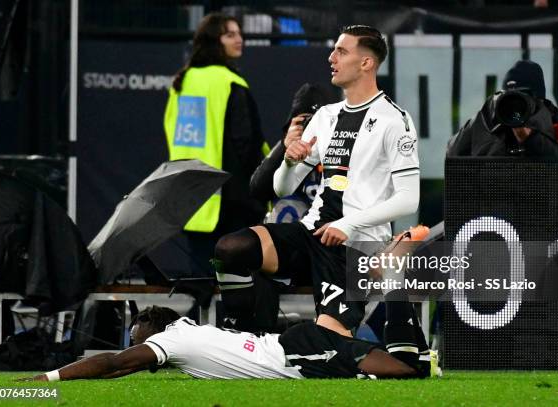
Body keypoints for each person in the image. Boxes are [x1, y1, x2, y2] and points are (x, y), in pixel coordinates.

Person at [214, 25, 420, 344]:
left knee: (326, 343)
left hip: (354, 245)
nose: (331, 57)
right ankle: (238, 336)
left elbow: (409, 199)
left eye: (341, 51)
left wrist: (348, 224)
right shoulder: (326, 116)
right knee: (230, 249)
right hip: (310, 233)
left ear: (366, 63)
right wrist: (289, 161)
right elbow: (282, 188)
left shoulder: (395, 120)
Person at [24, 306, 428, 381]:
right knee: (405, 366)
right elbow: (122, 365)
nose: (134, 342)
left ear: (152, 326)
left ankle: (396, 286)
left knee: (407, 371)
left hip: (293, 353)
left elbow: (114, 364)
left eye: (136, 333)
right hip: (296, 348)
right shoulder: (186, 333)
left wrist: (51, 377)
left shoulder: (173, 338)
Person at [163, 13, 268, 279]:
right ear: (214, 41)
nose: (239, 39)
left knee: (201, 279)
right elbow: (246, 143)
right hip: (229, 202)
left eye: (239, 33)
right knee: (231, 282)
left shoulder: (182, 82)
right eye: (230, 34)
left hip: (190, 195)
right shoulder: (229, 83)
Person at [446, 60, 558, 157]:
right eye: (508, 97)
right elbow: (452, 152)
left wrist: (530, 137)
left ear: (540, 100)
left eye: (522, 97)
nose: (514, 105)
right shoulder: (491, 122)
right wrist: (485, 114)